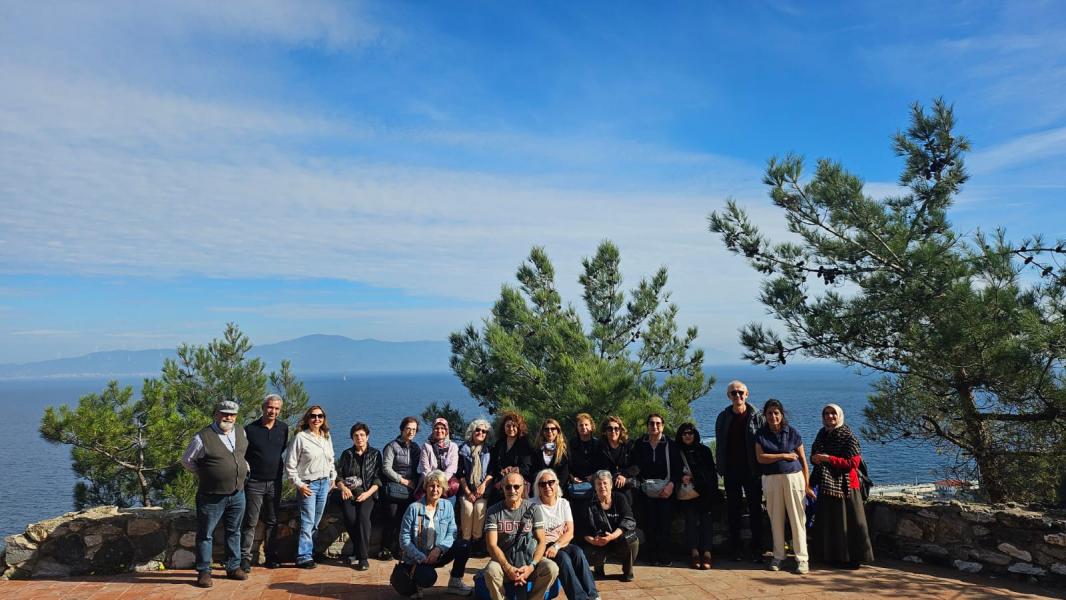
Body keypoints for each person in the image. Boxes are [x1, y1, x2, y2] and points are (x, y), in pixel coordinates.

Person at [181, 399, 249, 588]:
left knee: (234, 531)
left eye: (232, 414)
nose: (228, 417)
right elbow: (187, 460)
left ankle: (233, 567)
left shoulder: (240, 431)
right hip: (211, 495)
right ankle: (204, 571)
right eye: (224, 413)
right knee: (206, 534)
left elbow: (241, 455)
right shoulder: (202, 437)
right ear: (216, 414)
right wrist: (205, 474)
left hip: (237, 492)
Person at [809, 403, 874, 568]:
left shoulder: (849, 436)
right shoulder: (822, 434)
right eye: (826, 413)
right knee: (832, 524)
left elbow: (853, 463)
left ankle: (852, 559)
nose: (829, 416)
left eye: (833, 413)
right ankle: (832, 556)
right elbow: (814, 454)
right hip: (826, 484)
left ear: (839, 416)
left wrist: (828, 459)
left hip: (846, 487)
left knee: (849, 523)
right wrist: (814, 459)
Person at [754, 399, 812, 574]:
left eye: (776, 413)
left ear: (782, 414)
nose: (773, 416)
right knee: (776, 518)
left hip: (793, 478)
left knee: (797, 518)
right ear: (765, 415)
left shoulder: (792, 432)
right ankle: (779, 556)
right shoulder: (761, 434)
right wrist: (784, 455)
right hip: (771, 479)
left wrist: (807, 485)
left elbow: (803, 460)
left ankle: (802, 559)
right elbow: (760, 458)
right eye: (769, 413)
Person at [395, 470, 475, 598]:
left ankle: (455, 582)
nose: (435, 490)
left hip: (439, 554)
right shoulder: (414, 508)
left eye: (439, 486)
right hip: (419, 558)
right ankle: (416, 583)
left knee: (464, 545)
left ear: (443, 489)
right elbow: (404, 539)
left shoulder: (447, 506)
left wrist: (439, 549)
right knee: (428, 577)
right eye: (432, 486)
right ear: (426, 487)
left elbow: (452, 532)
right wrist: (420, 557)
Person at [483, 472, 559, 600]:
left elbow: (542, 541)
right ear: (502, 488)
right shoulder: (493, 511)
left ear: (523, 487)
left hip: (528, 561)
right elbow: (491, 545)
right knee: (491, 571)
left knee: (551, 568)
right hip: (504, 562)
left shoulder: (533, 509)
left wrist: (531, 567)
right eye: (508, 487)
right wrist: (508, 568)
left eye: (516, 486)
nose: (512, 490)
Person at [714, 380, 766, 562]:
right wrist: (720, 467)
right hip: (731, 470)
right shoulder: (723, 417)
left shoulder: (757, 417)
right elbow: (720, 444)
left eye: (740, 392)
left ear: (747, 394)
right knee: (733, 510)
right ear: (728, 396)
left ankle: (757, 549)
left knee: (755, 510)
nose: (737, 395)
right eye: (733, 393)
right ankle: (735, 548)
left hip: (752, 471)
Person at [532, 469, 599, 600]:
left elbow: (570, 532)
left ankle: (593, 596)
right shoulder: (532, 505)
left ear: (557, 484)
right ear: (538, 487)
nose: (547, 486)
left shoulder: (563, 503)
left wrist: (556, 546)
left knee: (578, 552)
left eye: (551, 482)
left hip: (559, 543)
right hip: (542, 545)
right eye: (542, 484)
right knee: (563, 558)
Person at [240, 394, 288, 572]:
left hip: (275, 482)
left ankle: (271, 556)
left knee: (272, 520)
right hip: (254, 482)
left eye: (276, 408)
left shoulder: (283, 428)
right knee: (250, 521)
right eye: (270, 407)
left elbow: (281, 450)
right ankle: (244, 558)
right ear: (263, 407)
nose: (272, 411)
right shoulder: (250, 429)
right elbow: (242, 455)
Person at [284, 405, 336, 569]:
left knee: (316, 521)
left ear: (324, 418)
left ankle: (311, 552)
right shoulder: (300, 437)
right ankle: (303, 556)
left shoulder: (326, 436)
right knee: (307, 521)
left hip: (324, 484)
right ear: (308, 418)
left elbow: (331, 459)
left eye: (320, 416)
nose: (317, 419)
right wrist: (299, 485)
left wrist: (332, 477)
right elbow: (290, 464)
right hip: (308, 485)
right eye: (313, 416)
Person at [630, 413, 681, 566]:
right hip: (646, 489)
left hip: (666, 488)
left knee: (664, 524)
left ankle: (664, 554)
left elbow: (677, 467)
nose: (654, 426)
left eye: (658, 423)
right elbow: (635, 465)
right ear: (647, 426)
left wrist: (671, 485)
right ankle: (651, 554)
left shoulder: (670, 444)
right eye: (651, 423)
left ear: (663, 426)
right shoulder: (640, 444)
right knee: (649, 523)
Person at [334, 422, 381, 571]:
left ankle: (363, 558)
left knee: (363, 519)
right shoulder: (347, 454)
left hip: (368, 493)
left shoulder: (375, 454)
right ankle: (358, 550)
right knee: (350, 518)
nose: (359, 438)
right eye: (356, 435)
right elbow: (338, 476)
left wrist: (367, 494)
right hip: (349, 493)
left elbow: (378, 479)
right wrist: (343, 488)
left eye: (362, 435)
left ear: (367, 437)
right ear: (352, 438)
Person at [577, 470, 639, 582]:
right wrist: (593, 541)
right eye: (599, 484)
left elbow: (628, 520)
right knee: (584, 551)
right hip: (598, 542)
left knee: (632, 539)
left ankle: (627, 571)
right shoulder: (588, 503)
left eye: (605, 483)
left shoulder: (620, 498)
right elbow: (582, 528)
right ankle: (598, 569)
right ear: (595, 487)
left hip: (617, 539)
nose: (602, 486)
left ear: (611, 485)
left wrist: (612, 536)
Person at [674, 422, 719, 570]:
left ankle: (707, 553)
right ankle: (694, 553)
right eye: (684, 433)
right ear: (680, 436)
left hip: (704, 492)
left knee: (706, 521)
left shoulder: (704, 451)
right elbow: (673, 471)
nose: (688, 436)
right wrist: (681, 477)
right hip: (687, 493)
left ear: (695, 435)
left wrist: (695, 479)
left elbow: (711, 473)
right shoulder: (677, 452)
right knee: (690, 521)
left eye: (690, 433)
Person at [381, 416, 423, 560]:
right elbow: (386, 468)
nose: (411, 432)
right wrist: (403, 480)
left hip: (410, 490)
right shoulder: (392, 446)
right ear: (402, 429)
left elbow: (419, 468)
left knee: (406, 520)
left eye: (414, 430)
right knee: (392, 518)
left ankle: (401, 548)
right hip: (394, 488)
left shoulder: (416, 448)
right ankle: (385, 548)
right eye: (408, 429)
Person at [456, 418, 493, 557]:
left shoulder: (489, 450)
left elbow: (491, 472)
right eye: (478, 430)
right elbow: (460, 473)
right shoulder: (463, 449)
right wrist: (468, 492)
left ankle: (476, 541)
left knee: (479, 508)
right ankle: (465, 542)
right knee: (467, 508)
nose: (480, 433)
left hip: (483, 489)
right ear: (472, 431)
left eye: (484, 431)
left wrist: (482, 487)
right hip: (466, 489)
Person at [489, 410, 533, 504]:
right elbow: (493, 465)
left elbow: (526, 469)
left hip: (517, 483)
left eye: (514, 426)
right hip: (499, 483)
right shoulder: (500, 443)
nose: (511, 428)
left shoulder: (524, 444)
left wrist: (512, 470)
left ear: (519, 427)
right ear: (504, 427)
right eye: (508, 426)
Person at [595, 416, 636, 505]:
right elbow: (598, 466)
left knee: (626, 504)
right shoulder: (600, 447)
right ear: (605, 431)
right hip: (607, 485)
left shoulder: (629, 445)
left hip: (626, 484)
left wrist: (624, 475)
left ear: (620, 430)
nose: (613, 431)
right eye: (610, 429)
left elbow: (636, 465)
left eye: (616, 428)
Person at [419, 417, 460, 499]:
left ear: (446, 430)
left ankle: (443, 503)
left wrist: (440, 482)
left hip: (446, 479)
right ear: (433, 430)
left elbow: (452, 467)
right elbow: (425, 468)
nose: (439, 431)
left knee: (453, 486)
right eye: (436, 428)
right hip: (429, 478)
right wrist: (433, 482)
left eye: (442, 428)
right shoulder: (426, 446)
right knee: (424, 493)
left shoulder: (453, 446)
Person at [530, 418, 570, 497]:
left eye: (553, 429)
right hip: (540, 491)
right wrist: (542, 487)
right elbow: (533, 471)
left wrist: (554, 489)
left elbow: (565, 473)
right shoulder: (536, 450)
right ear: (543, 432)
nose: (549, 431)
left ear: (558, 431)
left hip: (559, 492)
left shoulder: (564, 450)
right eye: (546, 429)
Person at [567, 413, 601, 500]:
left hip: (595, 482)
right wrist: (572, 477)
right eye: (581, 425)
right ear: (577, 428)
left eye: (586, 425)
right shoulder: (571, 444)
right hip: (575, 482)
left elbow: (603, 464)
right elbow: (566, 463)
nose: (583, 427)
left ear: (591, 427)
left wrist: (594, 476)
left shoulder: (598, 444)